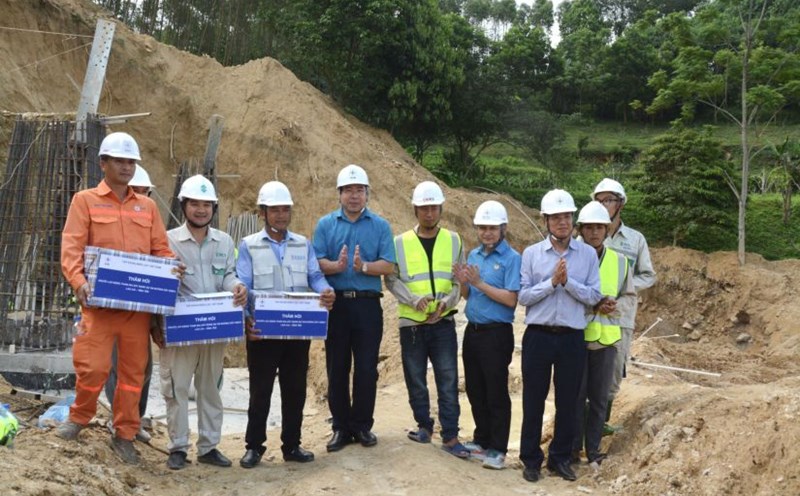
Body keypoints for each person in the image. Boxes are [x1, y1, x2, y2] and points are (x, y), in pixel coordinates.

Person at [59, 132, 179, 465]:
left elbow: (161, 249)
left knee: (131, 377)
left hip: (135, 314)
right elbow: (71, 246)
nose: (127, 167)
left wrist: (170, 269)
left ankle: (124, 434)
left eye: (131, 162)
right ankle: (79, 418)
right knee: (93, 368)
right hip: (98, 307)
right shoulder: (85, 201)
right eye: (120, 161)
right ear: (104, 163)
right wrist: (78, 281)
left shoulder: (148, 207)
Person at [238, 181, 335, 468]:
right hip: (262, 332)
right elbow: (243, 285)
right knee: (260, 391)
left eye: (285, 209)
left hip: (297, 331)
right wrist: (246, 321)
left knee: (295, 391)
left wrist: (325, 289)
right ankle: (254, 446)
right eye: (274, 209)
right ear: (262, 212)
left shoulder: (302, 244)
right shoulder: (249, 246)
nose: (281, 214)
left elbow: (314, 276)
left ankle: (292, 445)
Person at [157, 175, 248, 470]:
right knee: (177, 388)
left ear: (213, 208)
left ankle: (209, 446)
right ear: (184, 206)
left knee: (210, 388)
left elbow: (229, 274)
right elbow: (157, 283)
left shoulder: (224, 241)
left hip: (215, 327)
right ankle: (178, 447)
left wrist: (237, 286)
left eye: (206, 204)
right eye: (195, 203)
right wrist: (169, 274)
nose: (201, 209)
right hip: (180, 327)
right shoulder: (167, 241)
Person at [518, 189, 602, 483]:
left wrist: (568, 283)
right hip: (538, 336)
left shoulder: (588, 255)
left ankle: (560, 458)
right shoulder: (531, 254)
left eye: (566, 216)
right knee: (533, 399)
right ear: (546, 220)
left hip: (571, 338)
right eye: (556, 217)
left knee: (568, 401)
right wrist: (552, 283)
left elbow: (593, 295)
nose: (562, 222)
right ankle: (530, 459)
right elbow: (524, 296)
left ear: (573, 219)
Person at [312, 164, 395, 452]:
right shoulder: (325, 225)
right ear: (339, 194)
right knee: (337, 367)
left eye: (359, 190)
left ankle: (361, 425)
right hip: (336, 306)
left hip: (368, 306)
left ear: (367, 194)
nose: (354, 196)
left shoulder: (380, 226)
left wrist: (364, 267)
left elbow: (388, 264)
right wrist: (334, 266)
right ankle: (340, 427)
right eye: (348, 190)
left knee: (366, 367)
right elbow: (316, 261)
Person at [385, 181, 468, 459]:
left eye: (433, 207)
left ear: (441, 208)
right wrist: (413, 300)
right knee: (415, 378)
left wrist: (445, 304)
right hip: (412, 323)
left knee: (447, 378)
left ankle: (451, 435)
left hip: (443, 322)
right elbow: (391, 278)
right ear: (415, 210)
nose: (429, 213)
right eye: (424, 208)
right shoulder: (400, 242)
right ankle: (424, 425)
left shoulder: (454, 240)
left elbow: (459, 282)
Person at [453, 200, 521, 470]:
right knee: (474, 387)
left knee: (496, 391)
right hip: (473, 331)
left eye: (492, 228)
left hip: (497, 334)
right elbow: (468, 295)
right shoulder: (474, 255)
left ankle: (498, 447)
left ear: (503, 228)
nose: (487, 233)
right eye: (482, 228)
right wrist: (464, 282)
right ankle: (481, 440)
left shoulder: (512, 259)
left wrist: (480, 282)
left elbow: (511, 299)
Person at [571, 201, 635, 465]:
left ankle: (594, 449)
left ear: (607, 230)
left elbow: (630, 297)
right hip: (576, 339)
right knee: (575, 399)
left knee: (598, 399)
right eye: (589, 227)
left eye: (599, 227)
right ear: (581, 230)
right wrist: (592, 305)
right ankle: (573, 449)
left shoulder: (620, 262)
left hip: (606, 341)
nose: (595, 232)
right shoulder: (572, 259)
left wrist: (615, 307)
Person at [590, 178, 656, 434]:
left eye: (609, 200)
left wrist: (624, 288)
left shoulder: (635, 240)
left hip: (621, 316)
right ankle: (585, 430)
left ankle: (600, 425)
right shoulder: (587, 234)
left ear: (621, 204)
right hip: (590, 315)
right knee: (587, 372)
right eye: (600, 199)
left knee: (614, 371)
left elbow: (648, 275)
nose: (604, 204)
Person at [104, 164, 156, 443]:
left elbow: (159, 254)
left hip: (140, 310)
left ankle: (135, 419)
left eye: (146, 193)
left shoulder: (149, 218)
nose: (141, 198)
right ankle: (119, 420)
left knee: (142, 367)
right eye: (138, 192)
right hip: (113, 309)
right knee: (116, 366)